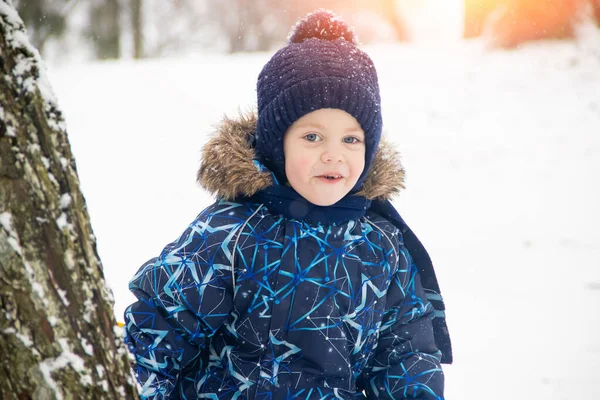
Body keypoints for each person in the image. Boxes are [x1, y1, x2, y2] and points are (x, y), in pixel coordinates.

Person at [124, 9, 452, 400]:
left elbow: (407, 357)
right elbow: (158, 330)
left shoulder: (382, 245)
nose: (333, 155)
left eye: (350, 140)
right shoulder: (233, 233)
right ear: (277, 145)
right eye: (312, 137)